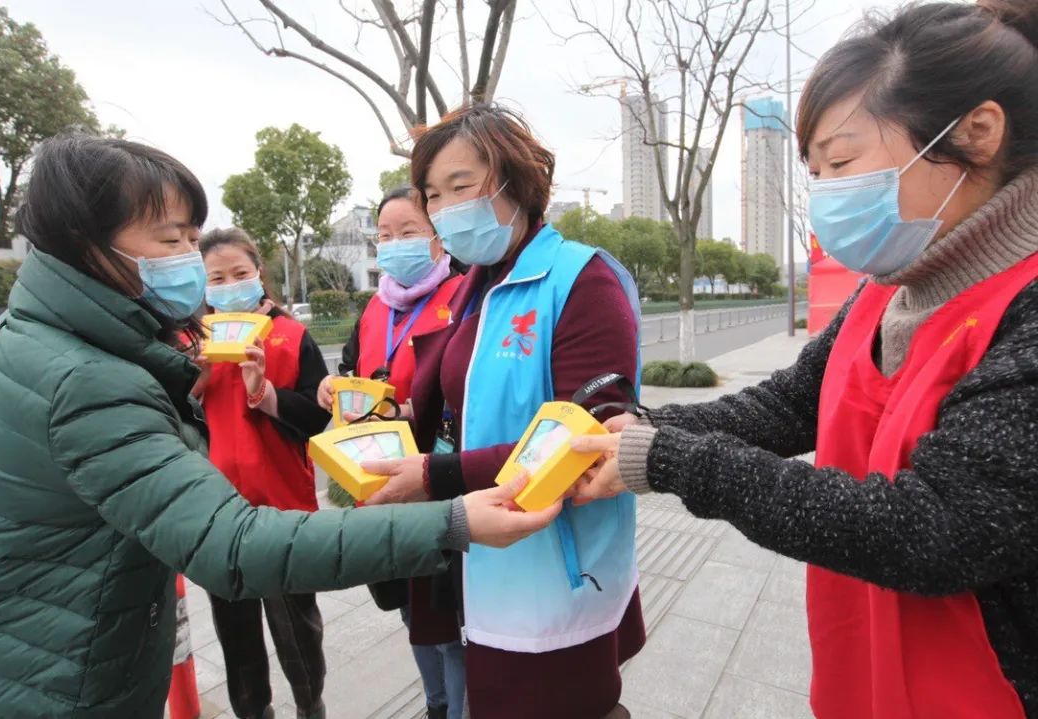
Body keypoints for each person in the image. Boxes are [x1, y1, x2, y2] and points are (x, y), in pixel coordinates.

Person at [0, 132, 561, 719]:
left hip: (59, 643)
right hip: (57, 673)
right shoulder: (89, 373)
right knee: (248, 644)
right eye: (172, 240)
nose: (192, 266)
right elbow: (232, 544)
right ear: (81, 243)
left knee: (318, 641)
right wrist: (453, 522)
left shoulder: (45, 338)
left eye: (193, 241)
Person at [572, 2, 1038, 717]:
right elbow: (789, 403)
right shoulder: (891, 290)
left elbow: (933, 529)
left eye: (843, 163)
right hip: (867, 676)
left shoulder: (1025, 310)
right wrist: (641, 429)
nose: (827, 196)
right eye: (817, 172)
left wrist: (668, 461)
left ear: (976, 134)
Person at [362, 104, 646, 719]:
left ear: (517, 182)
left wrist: (434, 477)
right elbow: (459, 409)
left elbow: (585, 436)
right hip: (473, 542)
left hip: (549, 561)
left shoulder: (581, 278)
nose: (445, 208)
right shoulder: (475, 284)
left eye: (461, 186)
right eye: (433, 195)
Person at [317, 186, 466, 719]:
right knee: (408, 611)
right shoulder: (374, 309)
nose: (394, 244)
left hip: (435, 479)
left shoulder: (465, 296)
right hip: (378, 482)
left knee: (445, 618)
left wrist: (416, 414)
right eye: (384, 235)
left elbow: (471, 392)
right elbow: (354, 374)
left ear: (437, 237)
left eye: (408, 232)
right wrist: (333, 391)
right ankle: (435, 703)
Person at [196, 227, 331, 719]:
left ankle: (309, 706)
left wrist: (265, 392)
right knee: (236, 634)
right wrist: (191, 379)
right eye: (217, 277)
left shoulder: (290, 335)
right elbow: (172, 419)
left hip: (282, 506)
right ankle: (253, 712)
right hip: (214, 512)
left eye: (240, 273)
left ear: (258, 274)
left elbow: (318, 418)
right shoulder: (194, 342)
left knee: (296, 628)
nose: (229, 284)